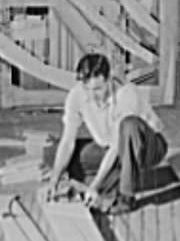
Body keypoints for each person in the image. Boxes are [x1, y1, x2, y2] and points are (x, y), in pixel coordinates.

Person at [47, 53, 168, 214]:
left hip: (147, 147)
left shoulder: (126, 93)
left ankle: (126, 197)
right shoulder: (76, 96)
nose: (92, 95)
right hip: (109, 147)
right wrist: (55, 177)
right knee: (62, 153)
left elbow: (117, 147)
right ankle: (115, 178)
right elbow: (68, 141)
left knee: (129, 125)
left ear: (109, 80)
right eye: (87, 89)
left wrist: (94, 186)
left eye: (98, 89)